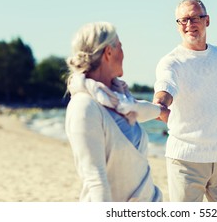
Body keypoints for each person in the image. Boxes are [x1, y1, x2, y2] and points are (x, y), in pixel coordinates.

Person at [153, 0, 217, 202]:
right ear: (177, 25)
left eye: (195, 18)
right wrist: (160, 104)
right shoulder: (171, 62)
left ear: (207, 21)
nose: (189, 25)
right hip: (185, 162)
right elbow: (165, 86)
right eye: (183, 20)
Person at [65, 21, 167, 202]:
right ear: (108, 52)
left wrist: (162, 111)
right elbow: (96, 181)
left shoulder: (119, 101)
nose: (124, 53)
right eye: (120, 47)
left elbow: (140, 109)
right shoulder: (84, 108)